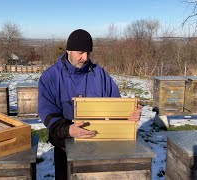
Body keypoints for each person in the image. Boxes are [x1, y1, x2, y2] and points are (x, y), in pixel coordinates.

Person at [38, 29, 141, 180]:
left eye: (88, 53)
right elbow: (47, 111)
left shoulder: (99, 74)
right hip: (64, 146)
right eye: (80, 52)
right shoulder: (50, 77)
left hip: (98, 146)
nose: (85, 58)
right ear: (68, 51)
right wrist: (67, 129)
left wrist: (129, 114)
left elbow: (115, 104)